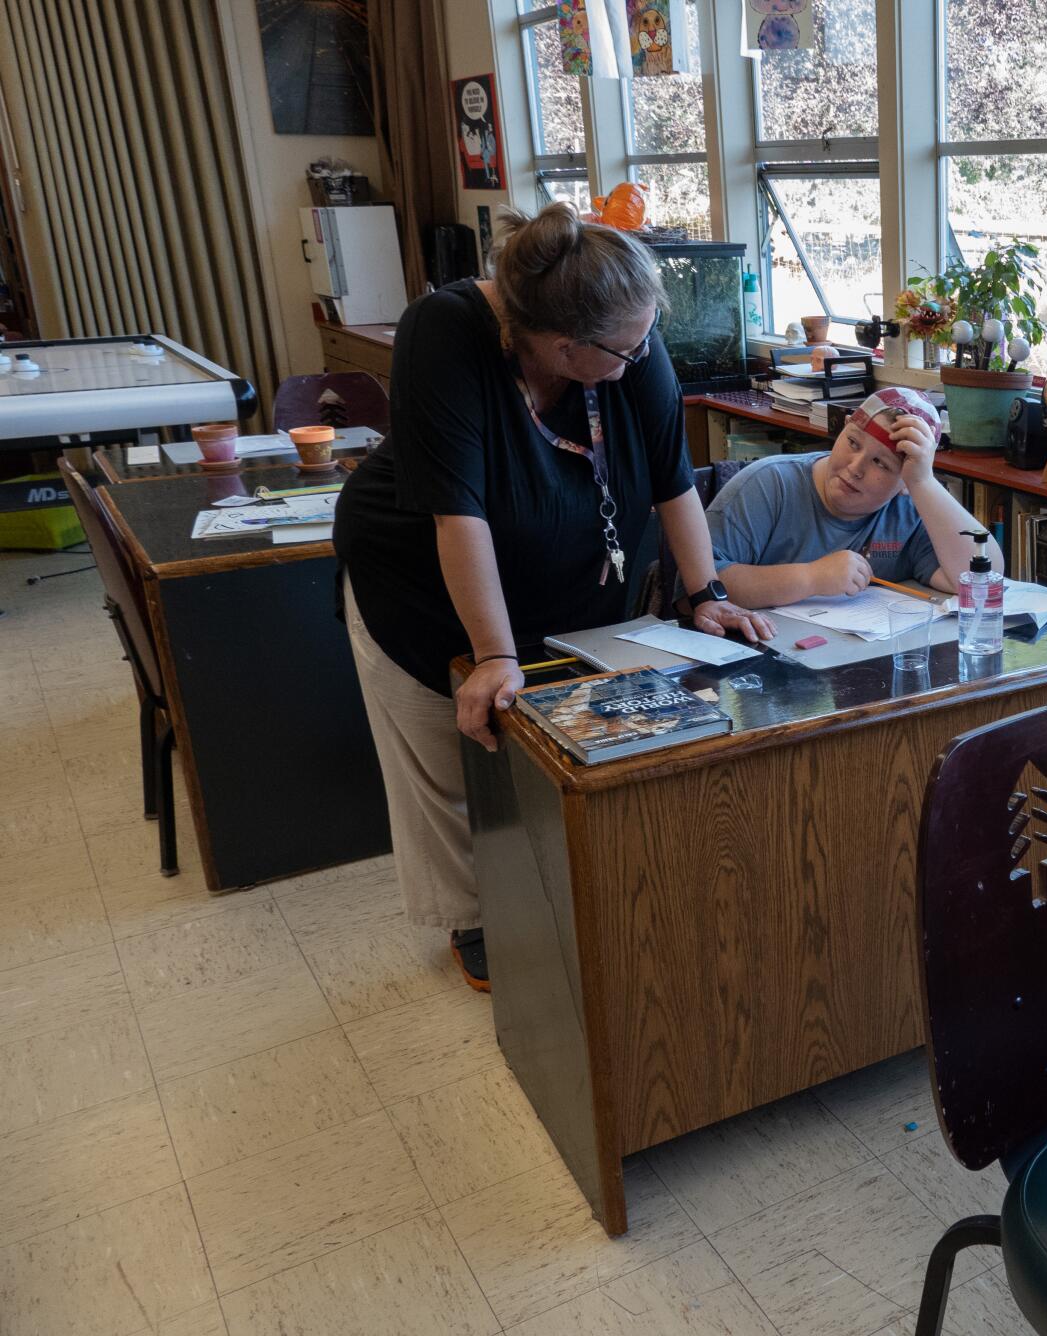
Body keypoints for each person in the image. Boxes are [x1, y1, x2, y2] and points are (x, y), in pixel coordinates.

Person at [332, 203, 771, 991]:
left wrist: (704, 592)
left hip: (565, 577)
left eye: (645, 341)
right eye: (625, 350)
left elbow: (673, 474)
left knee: (572, 740)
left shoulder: (624, 333)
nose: (643, 358)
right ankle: (474, 918)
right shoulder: (446, 333)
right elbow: (457, 512)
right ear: (562, 347)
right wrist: (494, 655)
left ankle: (567, 896)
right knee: (452, 751)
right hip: (422, 580)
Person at [696, 388, 998, 606]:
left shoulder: (912, 507)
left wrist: (924, 484)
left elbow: (983, 578)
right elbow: (697, 589)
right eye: (853, 442)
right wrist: (811, 578)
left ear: (904, 482)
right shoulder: (767, 485)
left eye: (881, 463)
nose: (855, 468)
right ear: (843, 429)